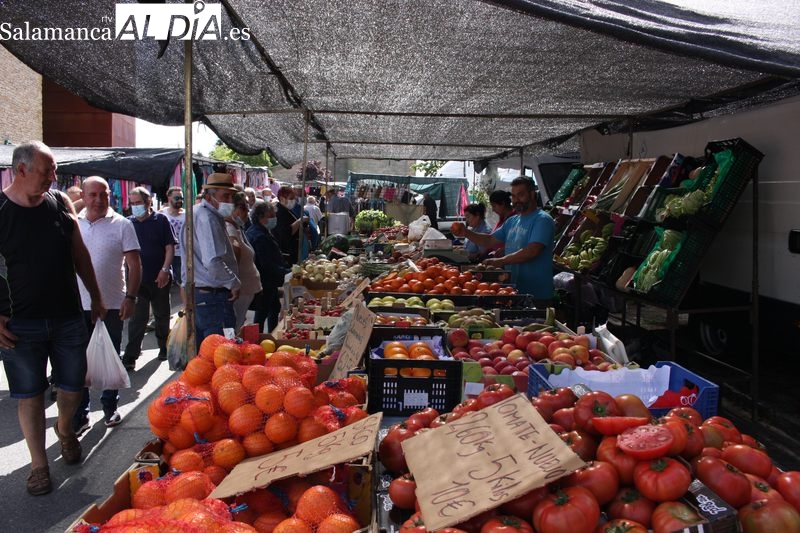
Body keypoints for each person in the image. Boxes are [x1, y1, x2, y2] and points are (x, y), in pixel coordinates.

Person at [0, 141, 106, 495]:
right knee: (29, 395)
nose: (53, 177)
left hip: (67, 318)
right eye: (47, 170)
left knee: (73, 387)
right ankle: (39, 466)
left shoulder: (60, 204)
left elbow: (80, 254)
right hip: (19, 325)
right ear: (21, 170)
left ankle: (63, 428)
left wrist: (97, 296)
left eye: (54, 170)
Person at [73, 176, 142, 434]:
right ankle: (81, 413)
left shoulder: (122, 224)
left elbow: (135, 265)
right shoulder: (73, 224)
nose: (99, 200)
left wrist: (131, 297)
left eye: (104, 195)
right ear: (83, 195)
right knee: (78, 360)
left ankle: (110, 407)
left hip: (112, 304)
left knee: (111, 357)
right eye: (93, 195)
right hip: (77, 305)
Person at [451, 177, 555, 299]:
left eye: (520, 195)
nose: (516, 200)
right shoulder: (512, 221)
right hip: (513, 291)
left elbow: (532, 251)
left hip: (537, 294)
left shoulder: (542, 220)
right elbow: (489, 240)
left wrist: (502, 260)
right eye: (514, 196)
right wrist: (466, 232)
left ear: (532, 194)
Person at [181, 172, 241, 348]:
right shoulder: (207, 218)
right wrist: (233, 282)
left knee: (206, 351)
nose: (229, 201)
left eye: (231, 196)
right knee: (220, 351)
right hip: (213, 296)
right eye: (225, 196)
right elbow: (213, 261)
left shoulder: (198, 213)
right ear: (210, 196)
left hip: (202, 295)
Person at [121, 187, 176, 370]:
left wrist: (165, 269)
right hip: (137, 282)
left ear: (148, 202)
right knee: (138, 319)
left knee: (162, 315)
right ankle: (130, 356)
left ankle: (164, 347)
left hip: (160, 277)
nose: (135, 207)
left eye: (138, 203)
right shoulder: (128, 223)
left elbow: (169, 247)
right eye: (133, 203)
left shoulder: (160, 220)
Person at [246, 201, 291, 333]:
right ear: (261, 218)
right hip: (265, 281)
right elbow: (267, 264)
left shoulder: (260, 232)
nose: (274, 218)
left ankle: (271, 334)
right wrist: (287, 272)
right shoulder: (259, 236)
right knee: (262, 313)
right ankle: (258, 341)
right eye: (270, 216)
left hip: (267, 281)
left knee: (274, 307)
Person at [225, 192, 262, 331]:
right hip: (240, 290)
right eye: (244, 208)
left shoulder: (237, 228)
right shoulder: (230, 229)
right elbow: (233, 250)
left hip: (246, 290)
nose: (247, 212)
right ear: (235, 209)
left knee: (238, 324)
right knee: (233, 327)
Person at [275, 185, 309, 265]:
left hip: (293, 252)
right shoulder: (279, 212)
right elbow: (287, 232)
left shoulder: (287, 210)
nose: (294, 201)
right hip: (286, 253)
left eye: (294, 198)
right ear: (282, 199)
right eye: (291, 198)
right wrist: (300, 221)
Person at [160, 186, 185, 286]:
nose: (180, 201)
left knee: (182, 282)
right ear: (169, 198)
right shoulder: (161, 214)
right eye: (177, 198)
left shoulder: (187, 215)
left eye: (181, 198)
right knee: (164, 283)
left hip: (181, 254)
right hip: (165, 253)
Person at [488, 189, 515, 256]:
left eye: (494, 206)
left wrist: (504, 250)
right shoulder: (502, 219)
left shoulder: (515, 219)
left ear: (502, 204)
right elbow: (491, 240)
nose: (493, 210)